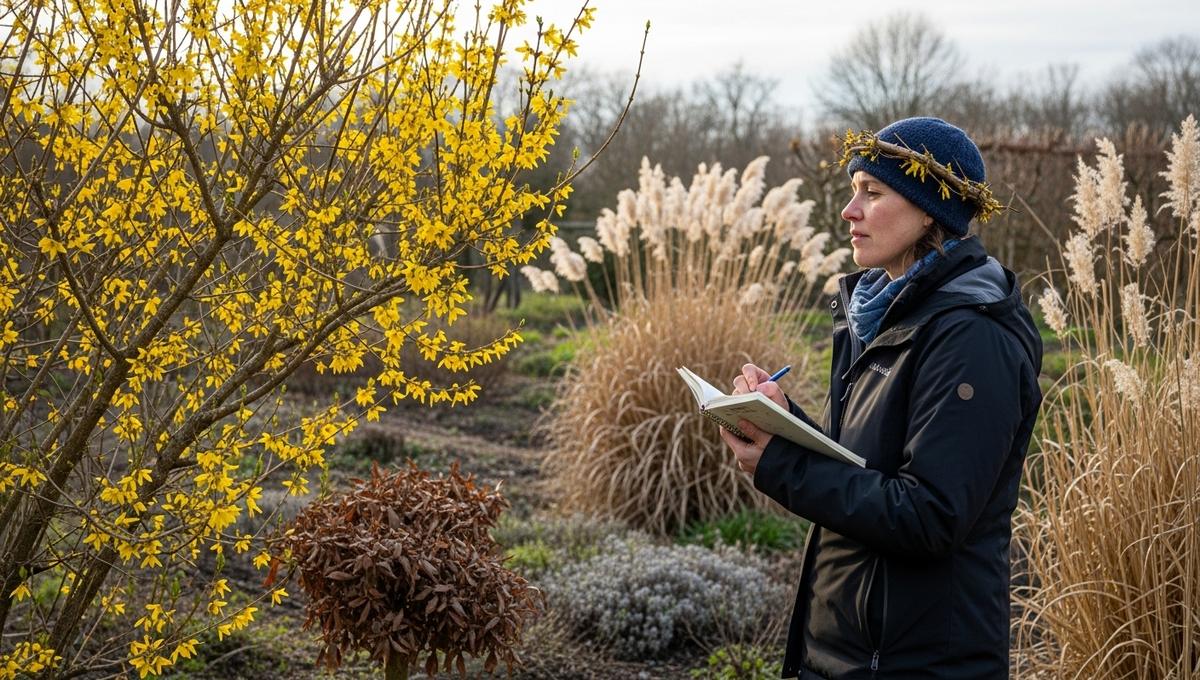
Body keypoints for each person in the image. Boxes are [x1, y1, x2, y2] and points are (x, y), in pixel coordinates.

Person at [720, 117, 1043, 679]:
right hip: (845, 649)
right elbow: (864, 468)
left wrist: (780, 463)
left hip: (913, 662)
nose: (849, 210)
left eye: (872, 193)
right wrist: (783, 419)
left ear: (929, 212)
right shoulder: (875, 316)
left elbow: (930, 516)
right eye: (853, 192)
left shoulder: (971, 338)